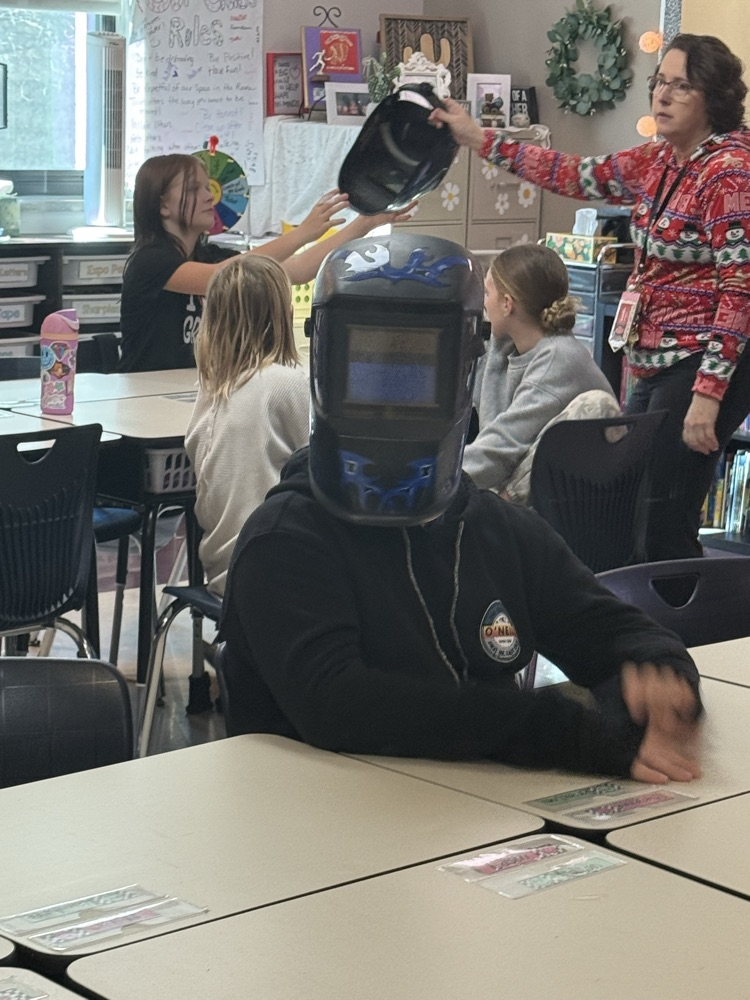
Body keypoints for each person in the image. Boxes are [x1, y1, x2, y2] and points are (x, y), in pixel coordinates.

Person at [219, 233, 702, 784]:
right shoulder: (285, 540)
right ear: (326, 364)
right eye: (368, 365)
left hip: (465, 826)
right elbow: (341, 706)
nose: (391, 402)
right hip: (315, 831)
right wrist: (563, 732)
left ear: (465, 365)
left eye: (416, 369)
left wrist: (658, 685)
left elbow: (614, 631)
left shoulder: (498, 531)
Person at [430, 34, 750, 561]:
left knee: (664, 512)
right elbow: (571, 174)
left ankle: (687, 634)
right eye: (660, 83)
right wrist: (476, 137)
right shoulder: (662, 160)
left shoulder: (730, 171)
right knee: (629, 505)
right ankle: (639, 624)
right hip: (651, 355)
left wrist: (708, 395)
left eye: (681, 87)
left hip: (700, 360)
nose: (662, 97)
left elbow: (740, 291)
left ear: (713, 97)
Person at [120, 153, 409, 372]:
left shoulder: (209, 255)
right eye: (194, 189)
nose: (209, 196)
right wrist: (301, 234)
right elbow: (220, 277)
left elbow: (297, 270)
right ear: (162, 205)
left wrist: (364, 224)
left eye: (207, 187)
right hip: (144, 392)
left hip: (188, 388)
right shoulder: (149, 261)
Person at [185, 254, 309, 597]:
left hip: (222, 573)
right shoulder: (287, 383)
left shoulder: (210, 389)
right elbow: (327, 471)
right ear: (281, 314)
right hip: (273, 572)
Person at [463, 244, 619, 503]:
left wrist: (434, 484)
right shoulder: (504, 348)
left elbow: (502, 446)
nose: (483, 302)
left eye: (487, 293)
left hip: (566, 506)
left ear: (506, 304)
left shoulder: (558, 359)